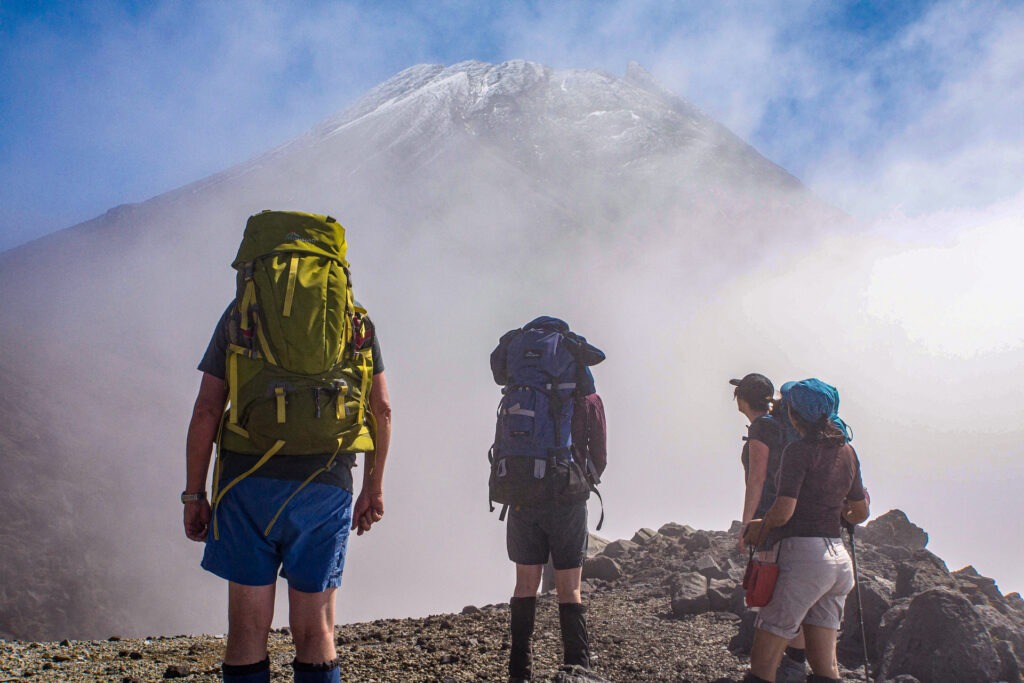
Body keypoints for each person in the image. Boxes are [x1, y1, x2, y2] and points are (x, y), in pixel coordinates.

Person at [183, 211, 392, 683]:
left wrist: (195, 494)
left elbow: (205, 411)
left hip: (247, 481)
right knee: (316, 630)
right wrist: (372, 490)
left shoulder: (240, 315)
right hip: (327, 483)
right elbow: (382, 411)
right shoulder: (356, 322)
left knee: (246, 633)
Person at [490, 318, 607, 683]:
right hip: (564, 490)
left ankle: (519, 671)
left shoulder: (518, 372)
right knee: (569, 587)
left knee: (525, 585)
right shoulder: (575, 366)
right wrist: (588, 478)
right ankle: (577, 666)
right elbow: (596, 436)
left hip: (520, 487)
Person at [742, 378, 869, 683]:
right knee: (827, 668)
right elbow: (860, 512)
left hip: (803, 558)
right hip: (838, 561)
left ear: (794, 414)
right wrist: (836, 507)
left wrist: (762, 525)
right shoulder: (847, 452)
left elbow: (784, 511)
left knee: (763, 663)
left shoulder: (798, 451)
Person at [730, 373, 805, 683]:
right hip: (791, 513)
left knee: (771, 590)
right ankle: (795, 662)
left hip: (769, 518)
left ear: (742, 399)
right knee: (788, 590)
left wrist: (748, 525)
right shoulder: (779, 426)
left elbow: (757, 478)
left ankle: (777, 669)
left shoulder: (761, 427)